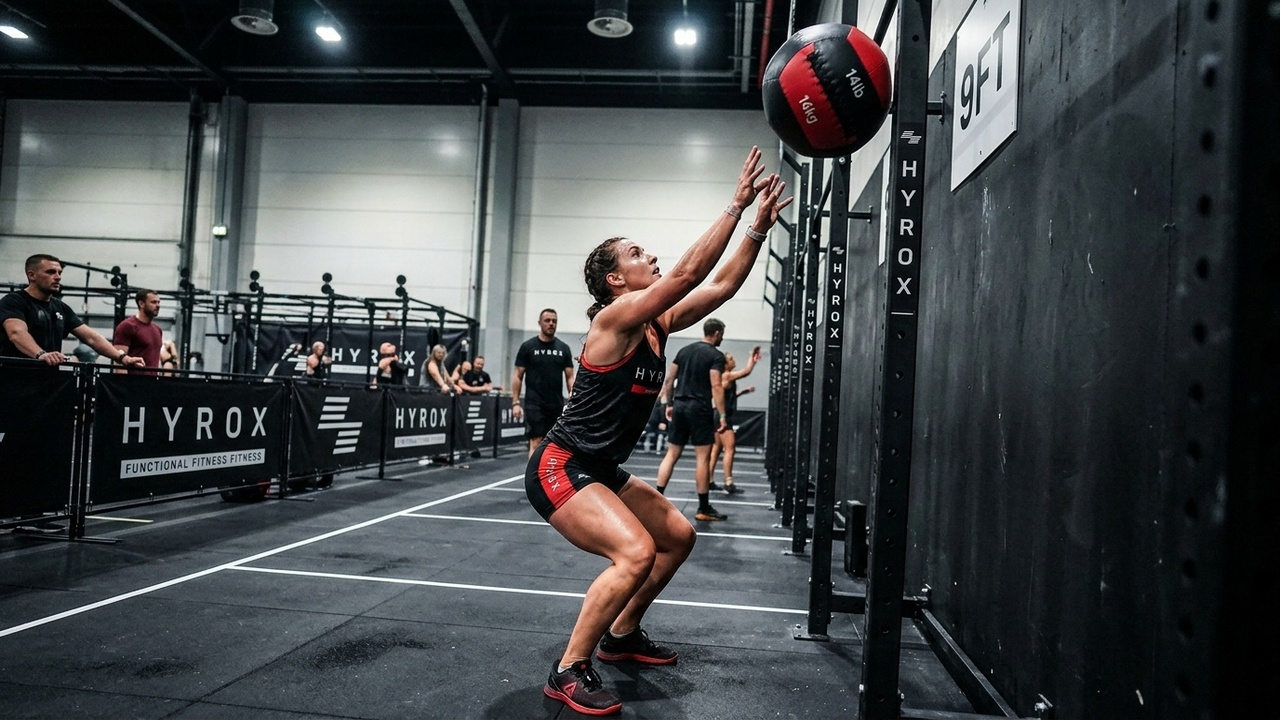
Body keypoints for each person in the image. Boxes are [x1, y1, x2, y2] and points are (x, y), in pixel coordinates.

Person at [528, 146, 790, 715]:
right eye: (637, 253)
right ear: (616, 278)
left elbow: (717, 288)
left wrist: (756, 231)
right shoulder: (614, 319)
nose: (652, 256)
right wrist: (735, 204)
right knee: (635, 552)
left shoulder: (656, 323)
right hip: (560, 465)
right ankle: (569, 667)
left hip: (599, 469)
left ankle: (622, 634)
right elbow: (692, 272)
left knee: (677, 536)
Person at [1, 254, 145, 371]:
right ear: (32, 275)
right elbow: (16, 333)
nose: (58, 277)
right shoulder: (14, 301)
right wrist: (41, 354)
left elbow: (91, 338)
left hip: (47, 383)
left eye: (59, 272)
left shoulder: (60, 307)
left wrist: (122, 358)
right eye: (50, 272)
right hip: (14, 379)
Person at [652, 319, 729, 520]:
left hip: (679, 405)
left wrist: (669, 404)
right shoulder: (716, 355)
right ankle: (703, 508)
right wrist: (722, 415)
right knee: (702, 458)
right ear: (717, 333)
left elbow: (669, 380)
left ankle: (654, 499)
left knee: (671, 455)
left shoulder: (684, 351)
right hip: (700, 408)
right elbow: (716, 386)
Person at [511, 309, 575, 456]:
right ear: (539, 323)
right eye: (547, 321)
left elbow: (570, 376)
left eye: (554, 321)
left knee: (553, 443)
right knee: (536, 440)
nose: (551, 324)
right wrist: (515, 403)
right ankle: (533, 479)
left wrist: (574, 397)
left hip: (556, 403)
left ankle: (545, 477)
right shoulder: (528, 347)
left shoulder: (563, 348)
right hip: (534, 402)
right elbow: (518, 376)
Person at [707, 346, 761, 494]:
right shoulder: (726, 375)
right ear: (725, 364)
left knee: (716, 450)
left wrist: (743, 391)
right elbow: (747, 371)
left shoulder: (725, 378)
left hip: (717, 414)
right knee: (730, 448)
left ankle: (709, 481)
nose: (733, 360)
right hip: (722, 416)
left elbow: (726, 396)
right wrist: (752, 357)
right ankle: (728, 482)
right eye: (731, 359)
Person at [112, 289, 164, 374]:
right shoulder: (127, 326)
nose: (158, 305)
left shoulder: (157, 330)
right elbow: (119, 362)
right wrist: (123, 385)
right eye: (153, 302)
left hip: (152, 384)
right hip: (133, 383)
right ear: (141, 304)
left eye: (158, 302)